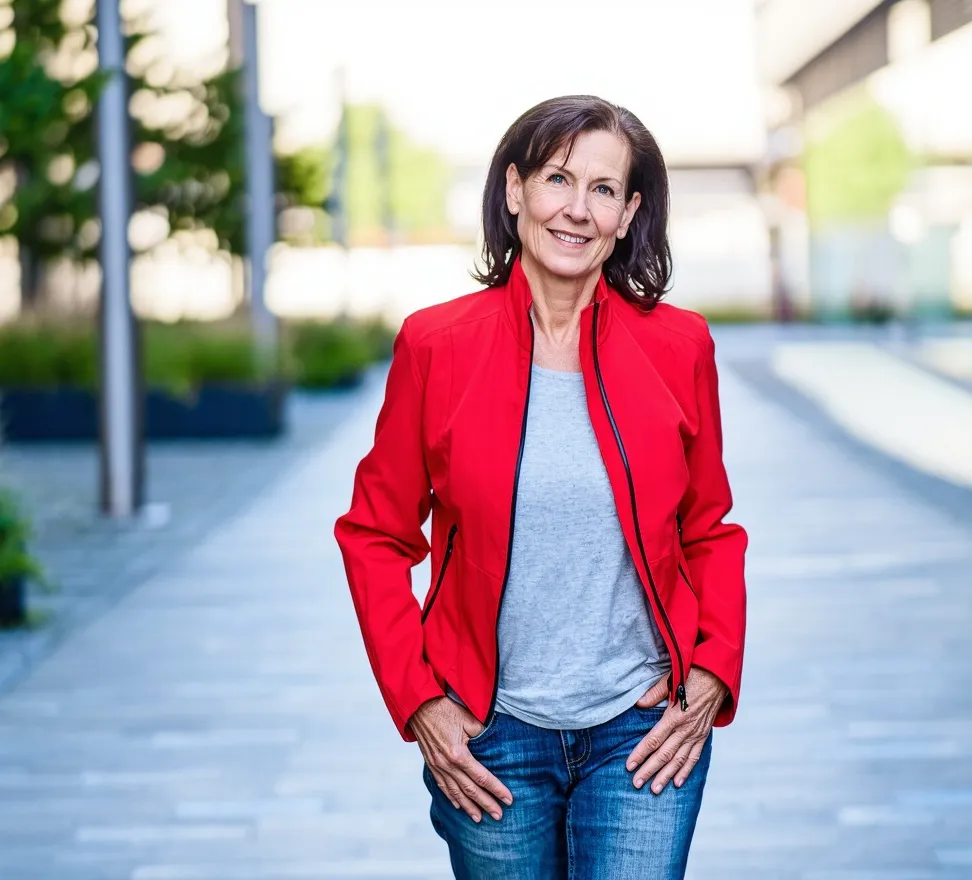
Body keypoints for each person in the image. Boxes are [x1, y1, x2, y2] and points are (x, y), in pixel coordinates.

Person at [335, 94, 748, 880]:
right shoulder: (437, 345)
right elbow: (375, 535)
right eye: (559, 179)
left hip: (642, 729)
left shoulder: (678, 345)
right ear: (515, 191)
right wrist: (420, 701)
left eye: (603, 189)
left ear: (628, 215)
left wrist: (711, 675)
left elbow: (710, 529)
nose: (577, 209)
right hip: (493, 738)